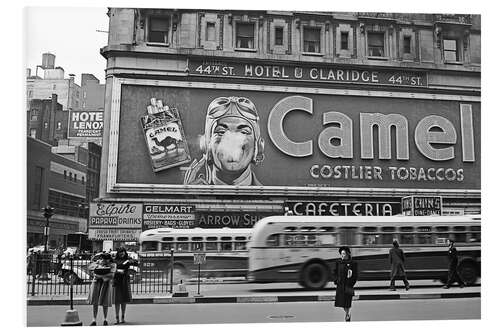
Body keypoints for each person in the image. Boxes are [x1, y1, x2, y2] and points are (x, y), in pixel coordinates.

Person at [184, 96, 265, 185]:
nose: (232, 141)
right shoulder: (193, 196)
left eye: (244, 132)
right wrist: (187, 197)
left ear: (258, 146)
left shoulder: (270, 198)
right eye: (221, 132)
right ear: (206, 145)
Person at [88, 252, 116, 326]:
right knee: (95, 301)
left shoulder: (113, 265)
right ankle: (94, 319)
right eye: (103, 259)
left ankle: (105, 319)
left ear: (109, 259)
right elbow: (90, 269)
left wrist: (100, 276)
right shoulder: (98, 263)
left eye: (107, 259)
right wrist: (98, 265)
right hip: (96, 283)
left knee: (105, 302)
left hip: (106, 283)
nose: (105, 261)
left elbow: (112, 275)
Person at [332, 246, 358, 322]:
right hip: (340, 286)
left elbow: (355, 275)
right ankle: (347, 313)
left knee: (347, 302)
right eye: (341, 254)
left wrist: (351, 283)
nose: (342, 255)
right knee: (342, 303)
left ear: (347, 254)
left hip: (348, 285)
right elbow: (334, 273)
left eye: (343, 254)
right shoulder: (338, 262)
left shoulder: (353, 263)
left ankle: (347, 314)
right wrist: (336, 280)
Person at [113, 247, 137, 324]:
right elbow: (112, 269)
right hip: (117, 281)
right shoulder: (114, 261)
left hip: (125, 280)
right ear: (118, 253)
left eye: (123, 252)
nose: (122, 253)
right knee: (117, 300)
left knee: (124, 300)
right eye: (120, 252)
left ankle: (122, 317)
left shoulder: (128, 260)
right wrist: (117, 271)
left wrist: (131, 260)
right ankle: (117, 318)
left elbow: (135, 262)